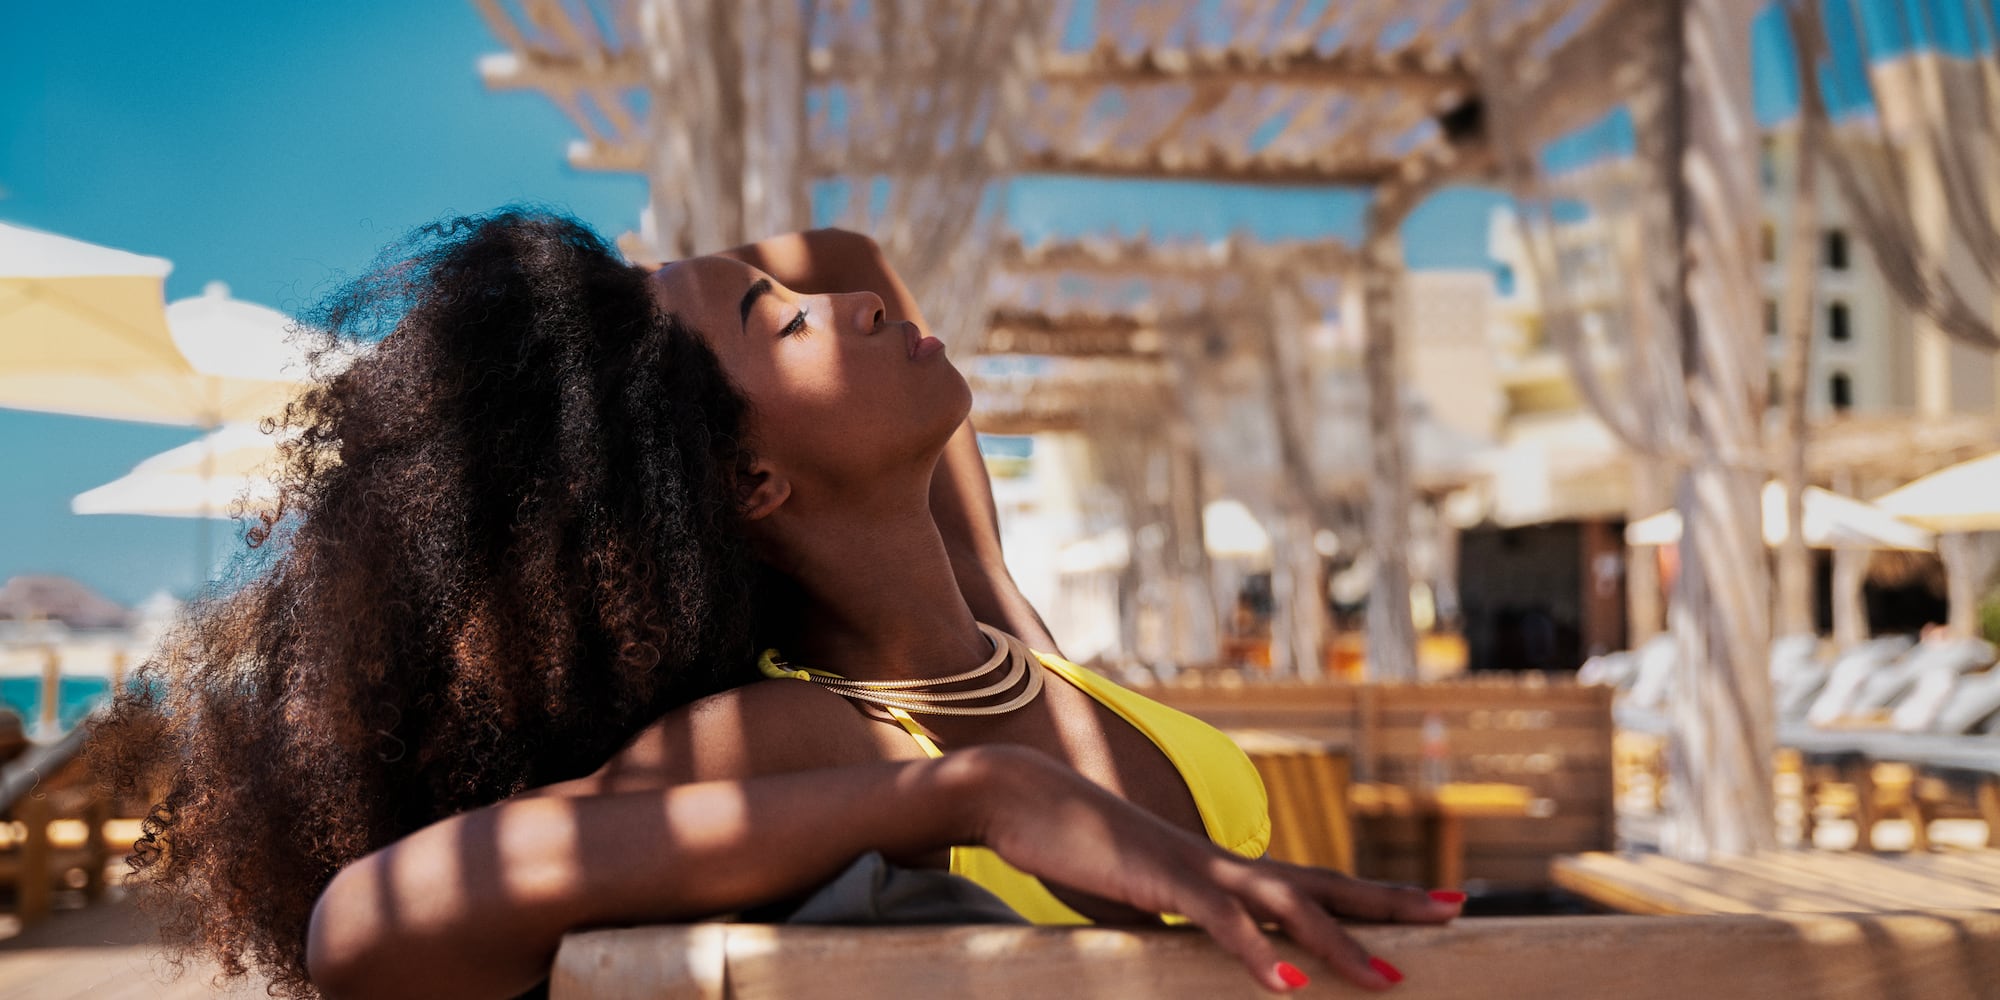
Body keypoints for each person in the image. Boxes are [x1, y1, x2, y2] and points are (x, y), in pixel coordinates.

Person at [93, 211, 1459, 1000]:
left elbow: (844, 245)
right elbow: (366, 929)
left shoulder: (1001, 631)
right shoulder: (794, 740)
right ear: (746, 480)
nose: (850, 306)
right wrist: (964, 802)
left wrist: (627, 326)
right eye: (785, 321)